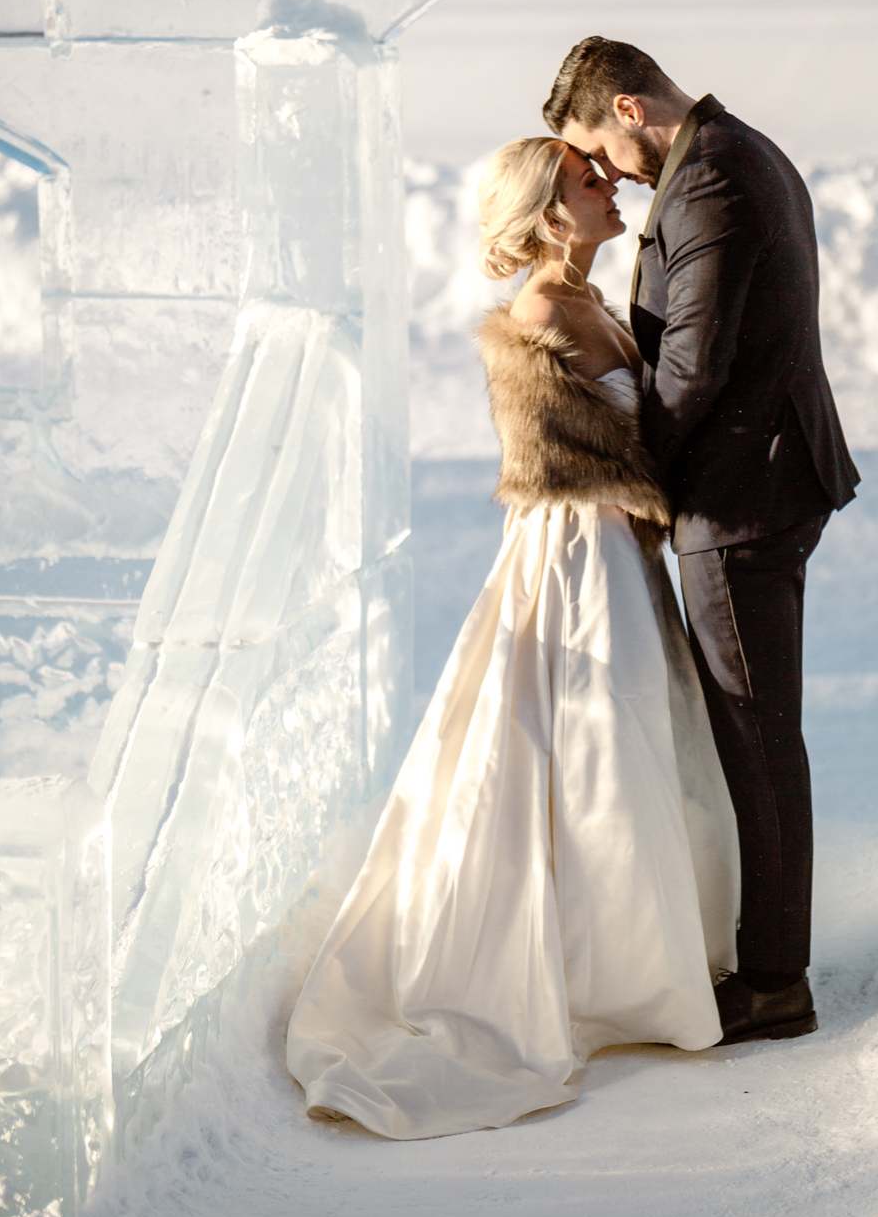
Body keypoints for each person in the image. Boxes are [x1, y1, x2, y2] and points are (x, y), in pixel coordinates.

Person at [286, 137, 740, 1138]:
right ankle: (592, 969)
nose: (609, 185)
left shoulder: (589, 297)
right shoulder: (539, 314)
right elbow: (558, 460)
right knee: (590, 748)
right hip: (579, 551)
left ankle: (629, 957)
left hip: (618, 540)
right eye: (587, 181)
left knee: (625, 748)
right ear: (546, 215)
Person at [544, 37, 861, 1046]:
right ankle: (770, 962)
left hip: (742, 494)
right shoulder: (737, 152)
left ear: (631, 108)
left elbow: (693, 362)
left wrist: (635, 476)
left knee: (757, 736)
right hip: (766, 477)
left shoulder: (712, 177)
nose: (611, 175)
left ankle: (774, 981)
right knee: (759, 730)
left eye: (601, 146)